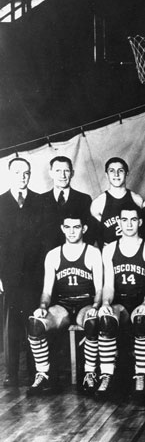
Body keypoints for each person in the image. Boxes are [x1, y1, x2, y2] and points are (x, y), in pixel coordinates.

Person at [26, 212, 103, 393]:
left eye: (76, 227)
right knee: (35, 323)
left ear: (84, 229)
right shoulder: (53, 255)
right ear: (62, 228)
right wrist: (43, 307)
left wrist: (95, 306)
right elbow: (47, 291)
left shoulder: (93, 253)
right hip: (63, 306)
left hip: (86, 303)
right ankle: (43, 374)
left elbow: (99, 289)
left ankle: (90, 373)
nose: (71, 231)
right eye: (67, 227)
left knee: (92, 322)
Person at [96, 206, 145, 394]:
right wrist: (106, 303)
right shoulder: (109, 250)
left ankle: (141, 375)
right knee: (106, 318)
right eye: (125, 220)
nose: (129, 224)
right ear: (119, 223)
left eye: (133, 220)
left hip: (140, 302)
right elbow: (109, 285)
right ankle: (107, 374)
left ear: (140, 222)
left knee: (141, 320)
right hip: (120, 304)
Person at [0, 157, 43, 387]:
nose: (22, 176)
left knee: (34, 322)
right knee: (12, 326)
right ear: (9, 174)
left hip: (35, 274)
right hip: (9, 275)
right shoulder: (0, 202)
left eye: (26, 172)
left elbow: (45, 241)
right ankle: (12, 373)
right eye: (17, 172)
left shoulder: (40, 201)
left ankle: (37, 372)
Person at [39, 156, 94, 251]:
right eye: (58, 171)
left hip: (77, 255)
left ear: (72, 173)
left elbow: (90, 232)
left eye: (66, 171)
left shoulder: (84, 199)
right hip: (47, 256)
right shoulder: (40, 200)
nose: (62, 175)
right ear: (51, 173)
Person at [90, 157, 143, 248]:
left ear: (127, 173)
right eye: (112, 171)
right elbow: (98, 235)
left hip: (134, 250)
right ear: (106, 175)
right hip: (110, 252)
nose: (116, 174)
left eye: (120, 170)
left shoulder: (137, 200)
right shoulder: (98, 203)